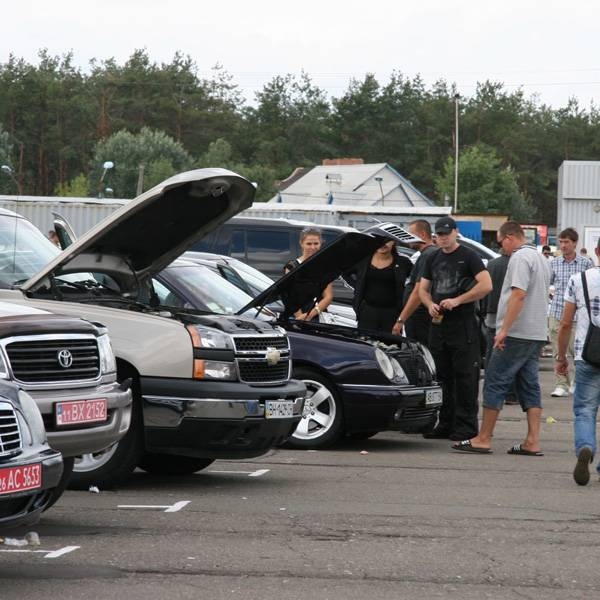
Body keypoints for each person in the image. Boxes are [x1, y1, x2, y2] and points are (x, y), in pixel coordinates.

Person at [453, 221, 550, 455]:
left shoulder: (519, 258)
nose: (500, 248)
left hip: (516, 332)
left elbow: (518, 294)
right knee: (529, 386)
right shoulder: (541, 259)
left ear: (509, 237)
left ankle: (483, 438)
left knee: (495, 381)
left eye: (499, 242)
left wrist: (504, 329)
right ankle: (532, 441)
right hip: (536, 332)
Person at [419, 216, 492, 441]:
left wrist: (459, 300)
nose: (443, 238)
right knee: (442, 376)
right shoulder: (432, 258)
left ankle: (466, 426)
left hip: (463, 325)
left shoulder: (469, 256)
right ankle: (445, 422)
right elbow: (423, 289)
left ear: (455, 232)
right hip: (439, 325)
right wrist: (429, 304)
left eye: (446, 234)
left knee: (465, 377)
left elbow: (486, 285)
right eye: (439, 234)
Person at [556, 239, 600, 485]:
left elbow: (564, 324)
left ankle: (585, 446)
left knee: (585, 410)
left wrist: (562, 357)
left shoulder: (579, 280)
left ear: (596, 252)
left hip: (588, 354)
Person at [548, 228, 594, 397]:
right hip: (557, 310)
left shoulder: (585, 263)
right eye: (561, 242)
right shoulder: (553, 263)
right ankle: (561, 383)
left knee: (577, 350)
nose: (563, 245)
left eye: (567, 242)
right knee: (558, 349)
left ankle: (576, 381)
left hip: (578, 314)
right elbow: (548, 283)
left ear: (575, 243)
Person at [480, 249, 519, 405]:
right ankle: (510, 393)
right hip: (511, 314)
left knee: (491, 352)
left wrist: (483, 310)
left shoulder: (492, 264)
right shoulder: (517, 265)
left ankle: (489, 390)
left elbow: (486, 290)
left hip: (492, 312)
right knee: (511, 355)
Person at [349, 239, 412, 332]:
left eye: (387, 240)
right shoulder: (364, 260)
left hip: (392, 314)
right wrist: (357, 286)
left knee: (390, 345)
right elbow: (345, 272)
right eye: (379, 240)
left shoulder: (403, 262)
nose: (383, 244)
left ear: (393, 242)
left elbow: (417, 280)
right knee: (366, 343)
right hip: (367, 312)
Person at [393, 219, 438, 344]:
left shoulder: (427, 255)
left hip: (419, 316)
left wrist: (401, 320)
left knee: (418, 352)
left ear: (423, 234)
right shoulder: (429, 253)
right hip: (421, 316)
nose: (408, 238)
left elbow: (418, 291)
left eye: (411, 234)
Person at [282, 227, 333, 321]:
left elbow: (328, 296)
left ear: (321, 243)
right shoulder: (292, 266)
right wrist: (300, 317)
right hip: (298, 315)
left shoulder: (325, 266)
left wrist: (310, 315)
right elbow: (289, 296)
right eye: (309, 244)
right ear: (301, 244)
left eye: (316, 243)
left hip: (318, 314)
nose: (313, 247)